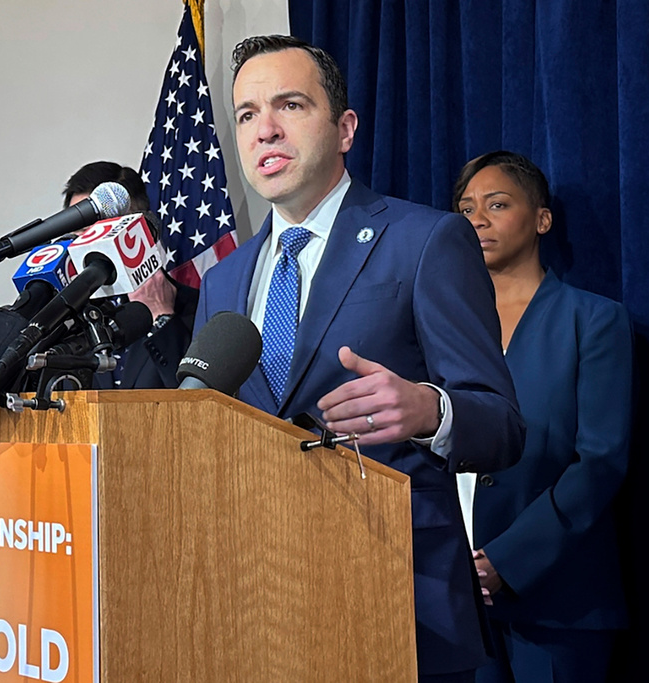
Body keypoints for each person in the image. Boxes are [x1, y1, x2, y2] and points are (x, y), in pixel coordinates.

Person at [193, 36, 524, 682]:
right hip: (262, 606)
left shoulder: (424, 241)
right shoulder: (222, 283)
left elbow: (503, 425)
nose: (266, 129)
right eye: (247, 114)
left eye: (289, 105)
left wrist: (430, 410)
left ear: (345, 128)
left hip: (401, 601)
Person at [452, 152, 631, 682]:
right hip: (454, 598)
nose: (477, 219)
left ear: (542, 219)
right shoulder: (440, 326)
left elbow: (599, 462)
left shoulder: (593, 321)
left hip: (559, 601)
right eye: (465, 209)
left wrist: (505, 561)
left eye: (497, 204)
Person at [62, 161, 196, 389]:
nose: (91, 243)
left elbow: (202, 404)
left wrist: (162, 317)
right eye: (82, 232)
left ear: (144, 228)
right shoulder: (66, 320)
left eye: (104, 229)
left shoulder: (198, 305)